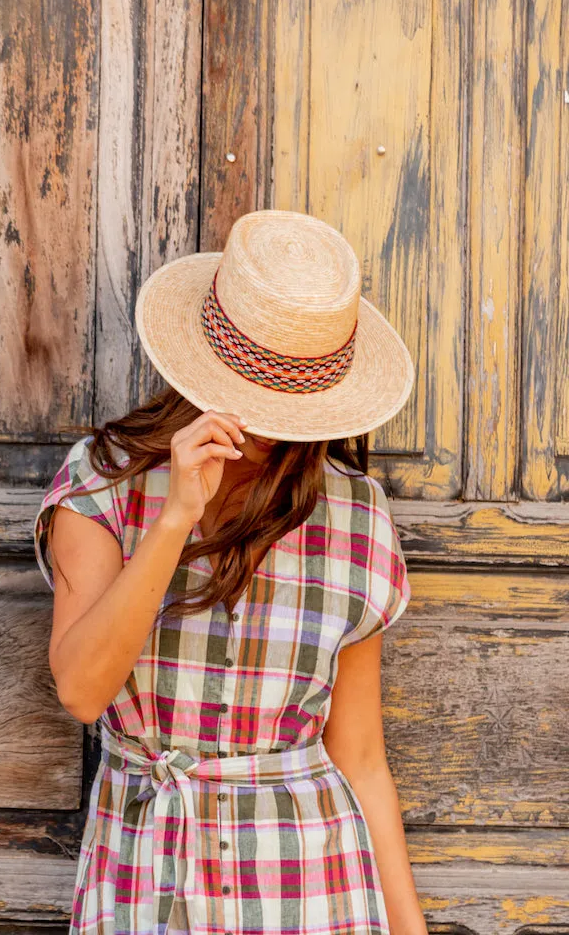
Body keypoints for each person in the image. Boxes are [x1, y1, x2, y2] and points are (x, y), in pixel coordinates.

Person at [33, 209, 427, 934]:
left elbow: (361, 758)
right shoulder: (104, 484)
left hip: (310, 888)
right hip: (145, 876)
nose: (264, 427)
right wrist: (176, 517)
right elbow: (84, 690)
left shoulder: (356, 515)